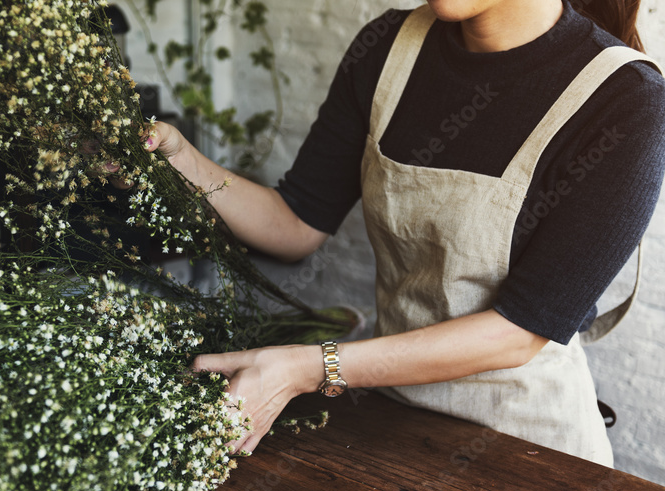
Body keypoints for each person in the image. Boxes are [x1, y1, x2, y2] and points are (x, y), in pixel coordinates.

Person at [137, 0, 665, 466]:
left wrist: (310, 367)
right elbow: (296, 221)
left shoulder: (627, 100)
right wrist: (181, 160)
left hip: (527, 447)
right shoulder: (387, 49)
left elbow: (521, 330)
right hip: (389, 422)